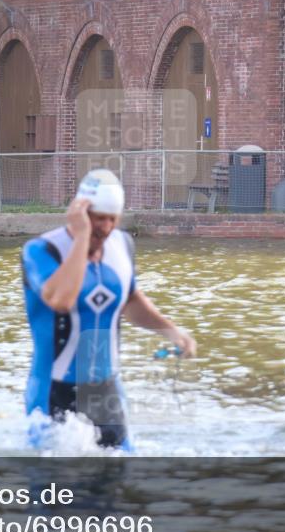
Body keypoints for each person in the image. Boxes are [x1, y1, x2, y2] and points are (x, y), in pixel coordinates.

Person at [21, 168, 197, 449]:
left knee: (118, 478)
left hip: (105, 390)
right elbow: (61, 300)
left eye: (112, 219)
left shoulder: (122, 244)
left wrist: (171, 331)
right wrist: (81, 239)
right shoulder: (42, 250)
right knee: (54, 487)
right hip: (52, 390)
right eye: (98, 218)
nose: (105, 227)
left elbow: (129, 299)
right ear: (81, 212)